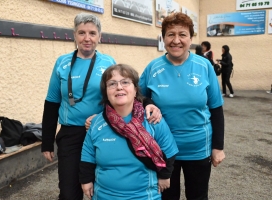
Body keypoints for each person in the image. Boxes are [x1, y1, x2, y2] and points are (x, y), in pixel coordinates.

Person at [41, 13, 161, 200]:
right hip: (71, 134)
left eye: (92, 33)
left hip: (103, 131)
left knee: (102, 187)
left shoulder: (107, 63)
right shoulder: (62, 63)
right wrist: (46, 141)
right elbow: (51, 102)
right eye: (81, 33)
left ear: (99, 36)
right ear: (74, 35)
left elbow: (125, 92)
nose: (87, 38)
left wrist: (150, 104)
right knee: (69, 191)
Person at [139, 12, 226, 200]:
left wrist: (218, 147)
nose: (176, 40)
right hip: (163, 149)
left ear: (191, 38)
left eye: (182, 34)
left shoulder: (204, 66)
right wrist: (150, 103)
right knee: (168, 197)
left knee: (198, 196)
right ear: (163, 38)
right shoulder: (153, 68)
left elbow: (216, 109)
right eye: (170, 34)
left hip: (198, 148)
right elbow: (138, 97)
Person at [79, 64, 179, 200]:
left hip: (144, 196)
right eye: (112, 84)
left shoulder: (152, 119)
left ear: (136, 89)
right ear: (106, 92)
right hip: (104, 195)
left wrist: (165, 175)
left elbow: (169, 149)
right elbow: (87, 155)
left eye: (125, 82)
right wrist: (86, 180)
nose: (119, 87)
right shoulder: (96, 123)